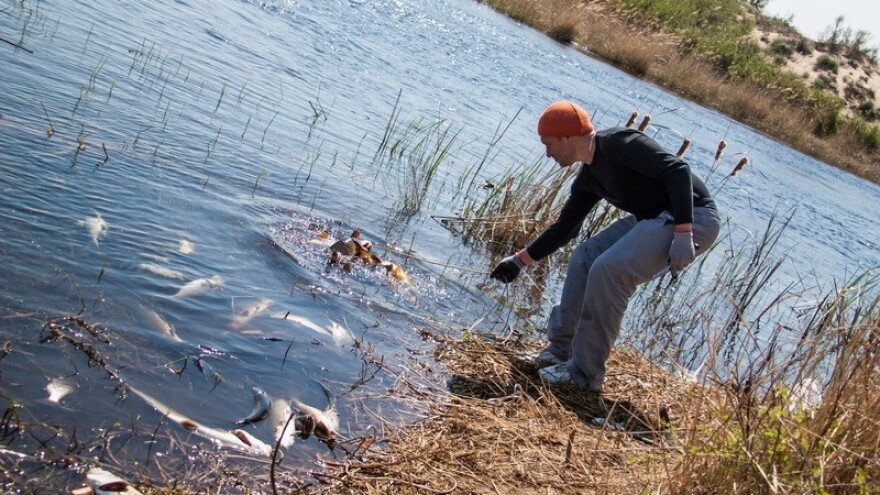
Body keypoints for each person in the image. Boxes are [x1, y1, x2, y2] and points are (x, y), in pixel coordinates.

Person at [490, 100, 720, 392]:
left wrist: (683, 233)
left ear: (567, 138)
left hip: (692, 217)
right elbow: (566, 229)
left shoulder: (619, 143)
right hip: (651, 220)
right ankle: (562, 350)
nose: (547, 153)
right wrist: (519, 261)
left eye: (548, 144)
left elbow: (678, 171)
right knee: (586, 256)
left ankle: (585, 375)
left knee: (608, 269)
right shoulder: (589, 178)